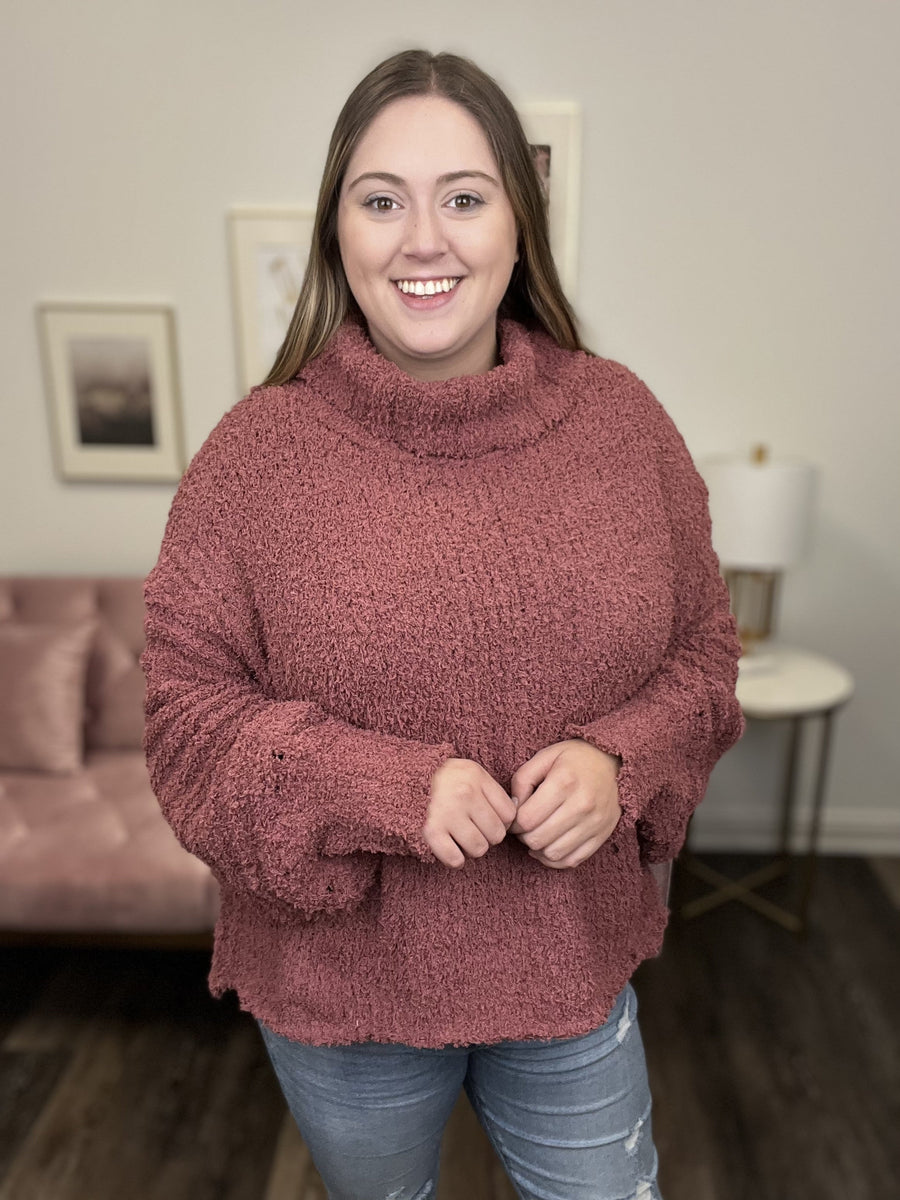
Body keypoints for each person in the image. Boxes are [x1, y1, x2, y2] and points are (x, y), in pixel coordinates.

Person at [142, 48, 744, 1200]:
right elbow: (185, 726)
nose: (425, 239)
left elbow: (707, 658)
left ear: (520, 225)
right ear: (338, 234)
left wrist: (621, 760)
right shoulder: (251, 460)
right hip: (342, 1000)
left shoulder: (624, 427)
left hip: (567, 966)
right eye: (382, 202)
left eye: (464, 197)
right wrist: (386, 788)